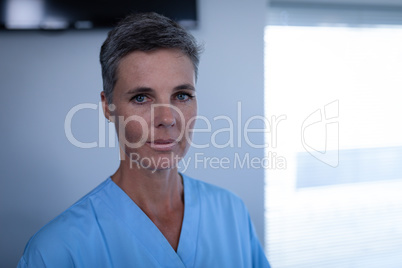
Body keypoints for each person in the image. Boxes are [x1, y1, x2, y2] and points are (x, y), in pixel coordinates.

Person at [18, 12, 270, 267]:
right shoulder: (56, 251)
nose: (167, 119)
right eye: (141, 98)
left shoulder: (231, 213)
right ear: (108, 107)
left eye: (182, 95)